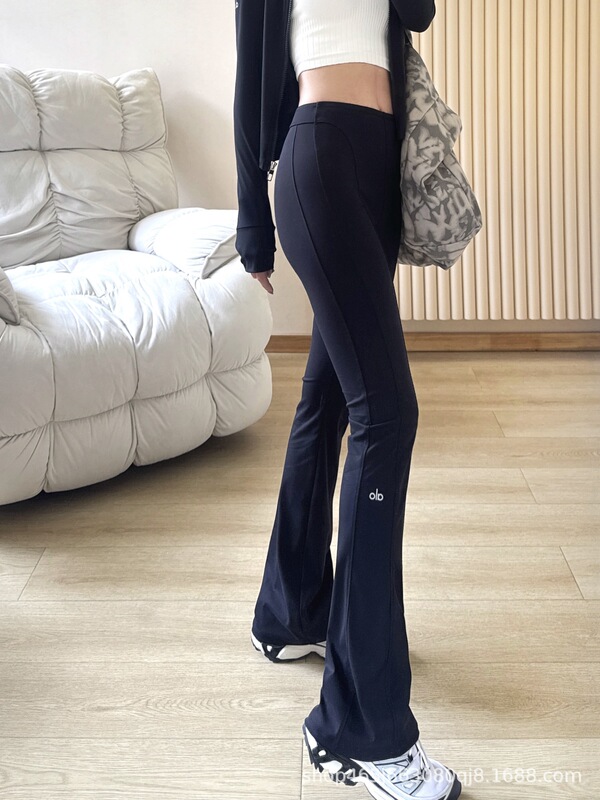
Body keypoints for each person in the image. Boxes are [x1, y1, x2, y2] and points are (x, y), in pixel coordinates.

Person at [233, 2, 462, 799]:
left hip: (377, 164)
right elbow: (252, 74)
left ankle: (291, 613)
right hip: (321, 153)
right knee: (387, 415)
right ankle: (358, 729)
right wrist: (252, 222)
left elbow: (418, 14)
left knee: (328, 398)